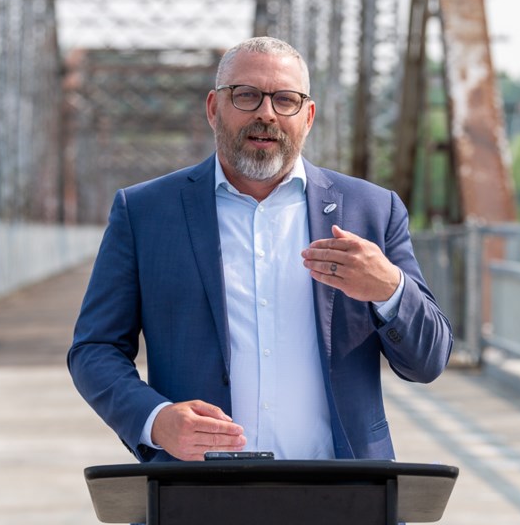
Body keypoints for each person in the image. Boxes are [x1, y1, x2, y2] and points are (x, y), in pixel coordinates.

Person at [68, 36, 452, 463]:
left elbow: (429, 360)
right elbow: (94, 349)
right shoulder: (144, 212)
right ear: (214, 108)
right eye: (246, 95)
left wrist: (390, 290)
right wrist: (155, 420)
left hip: (345, 491)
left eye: (285, 99)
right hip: (197, 494)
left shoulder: (373, 210)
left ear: (308, 117)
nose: (266, 113)